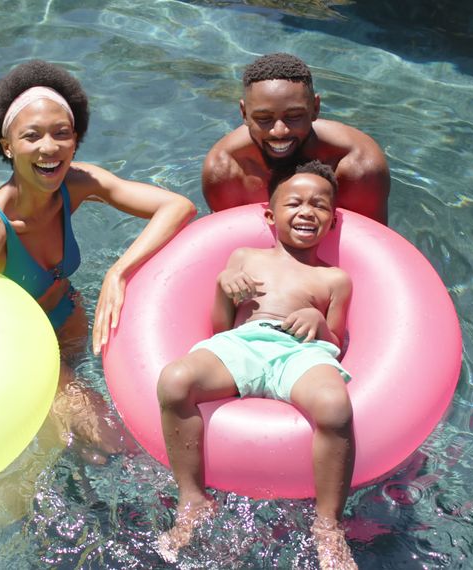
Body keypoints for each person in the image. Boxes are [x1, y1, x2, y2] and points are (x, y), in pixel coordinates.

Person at [0, 60, 196, 459]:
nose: (49, 147)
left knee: (89, 448)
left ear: (75, 140)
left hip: (70, 326)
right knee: (119, 443)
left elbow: (177, 206)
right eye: (32, 136)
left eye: (61, 134)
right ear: (7, 146)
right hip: (26, 349)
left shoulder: (76, 184)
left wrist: (119, 271)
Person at [156, 161, 358, 568]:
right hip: (243, 343)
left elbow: (336, 341)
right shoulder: (244, 256)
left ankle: (328, 527)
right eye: (294, 202)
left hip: (300, 351)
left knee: (335, 408)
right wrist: (222, 287)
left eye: (319, 205)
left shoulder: (335, 279)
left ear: (332, 221)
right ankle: (193, 498)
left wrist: (319, 323)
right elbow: (220, 326)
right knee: (175, 380)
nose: (307, 211)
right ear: (270, 214)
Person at [202, 52, 390, 225]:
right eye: (263, 119)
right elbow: (226, 239)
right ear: (244, 113)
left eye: (294, 116)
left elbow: (372, 241)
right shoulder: (226, 168)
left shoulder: (358, 165)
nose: (279, 131)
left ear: (315, 108)